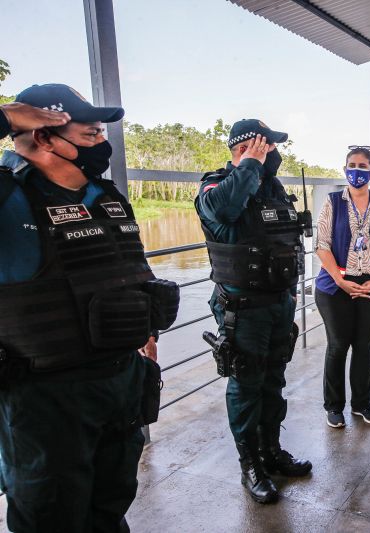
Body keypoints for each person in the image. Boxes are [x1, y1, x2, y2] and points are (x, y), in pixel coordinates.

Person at [0, 84, 177, 531]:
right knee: (52, 517)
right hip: (45, 400)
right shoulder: (8, 199)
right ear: (42, 137)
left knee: (110, 509)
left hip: (120, 386)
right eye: (91, 134)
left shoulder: (108, 196)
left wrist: (146, 330)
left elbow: (131, 270)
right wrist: (6, 118)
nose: (103, 145)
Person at [195, 119, 311, 505]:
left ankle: (271, 452)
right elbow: (223, 210)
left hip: (278, 303)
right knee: (246, 387)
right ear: (248, 147)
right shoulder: (215, 185)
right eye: (269, 146)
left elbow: (286, 246)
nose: (275, 154)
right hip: (242, 310)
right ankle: (250, 466)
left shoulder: (273, 190)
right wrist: (248, 165)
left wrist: (291, 297)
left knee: (273, 382)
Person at [315, 145, 370, 428]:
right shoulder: (332, 202)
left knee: (364, 345)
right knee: (338, 346)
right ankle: (334, 406)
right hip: (335, 285)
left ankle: (362, 404)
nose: (357, 171)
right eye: (352, 165)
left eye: (363, 167)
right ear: (345, 169)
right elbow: (322, 245)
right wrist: (341, 281)